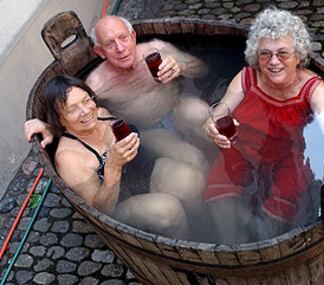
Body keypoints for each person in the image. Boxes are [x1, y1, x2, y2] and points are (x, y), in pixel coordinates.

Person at [25, 15, 210, 221]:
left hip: (151, 144)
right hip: (128, 176)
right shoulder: (96, 85)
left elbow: (203, 70)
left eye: (123, 38)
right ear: (99, 52)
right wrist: (51, 128)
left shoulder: (157, 50)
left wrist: (181, 66)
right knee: (169, 209)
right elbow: (99, 211)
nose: (120, 48)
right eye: (110, 44)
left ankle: (205, 220)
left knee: (194, 169)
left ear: (133, 36)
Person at [203, 7, 324, 244]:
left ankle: (261, 253)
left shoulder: (314, 89)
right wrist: (211, 123)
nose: (273, 62)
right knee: (220, 198)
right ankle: (228, 249)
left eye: (283, 53)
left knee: (270, 227)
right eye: (265, 54)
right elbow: (223, 107)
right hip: (243, 150)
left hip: (289, 160)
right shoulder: (247, 77)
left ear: (298, 55)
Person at [43, 75, 188, 238]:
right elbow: (100, 212)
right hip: (120, 203)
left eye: (86, 101)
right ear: (60, 120)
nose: (85, 112)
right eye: (72, 110)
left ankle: (203, 230)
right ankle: (184, 252)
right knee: (168, 209)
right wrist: (113, 166)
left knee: (188, 179)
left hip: (143, 172)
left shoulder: (101, 113)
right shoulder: (69, 158)